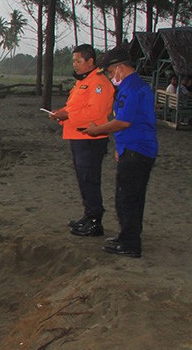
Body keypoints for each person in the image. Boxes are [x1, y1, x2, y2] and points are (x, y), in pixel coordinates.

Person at [85, 46, 158, 258]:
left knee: (128, 198)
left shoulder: (132, 89)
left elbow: (123, 121)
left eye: (109, 72)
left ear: (119, 68)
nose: (109, 77)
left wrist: (96, 130)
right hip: (132, 148)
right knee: (129, 196)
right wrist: (119, 148)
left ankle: (130, 243)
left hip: (138, 149)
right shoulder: (131, 87)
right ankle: (127, 235)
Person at [49, 44, 114, 237]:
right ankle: (89, 216)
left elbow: (95, 112)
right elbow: (75, 107)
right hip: (78, 136)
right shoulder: (83, 82)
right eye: (73, 61)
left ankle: (95, 221)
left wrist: (67, 115)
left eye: (78, 61)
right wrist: (61, 113)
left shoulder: (99, 83)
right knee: (83, 180)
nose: (75, 65)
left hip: (91, 138)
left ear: (90, 61)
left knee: (90, 179)